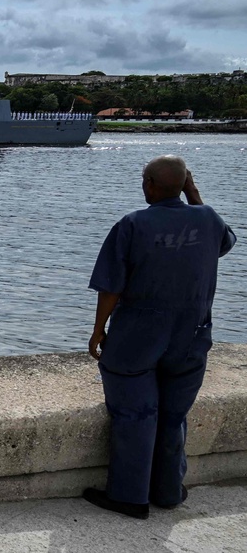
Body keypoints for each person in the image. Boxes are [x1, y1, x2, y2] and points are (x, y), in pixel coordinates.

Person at [85, 155, 236, 519]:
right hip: (192, 336)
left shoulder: (133, 224)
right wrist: (194, 193)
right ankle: (168, 491)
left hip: (138, 335)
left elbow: (110, 287)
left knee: (135, 413)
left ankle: (130, 496)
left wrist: (97, 330)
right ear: (183, 184)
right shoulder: (208, 218)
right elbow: (225, 243)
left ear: (149, 184)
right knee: (173, 415)